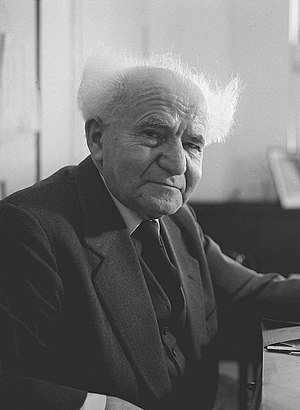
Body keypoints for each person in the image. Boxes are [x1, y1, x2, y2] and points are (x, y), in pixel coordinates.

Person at [0, 47, 300, 410]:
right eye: (154, 134)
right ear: (97, 138)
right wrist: (100, 407)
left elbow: (248, 292)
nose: (176, 162)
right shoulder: (29, 227)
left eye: (193, 145)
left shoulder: (177, 218)